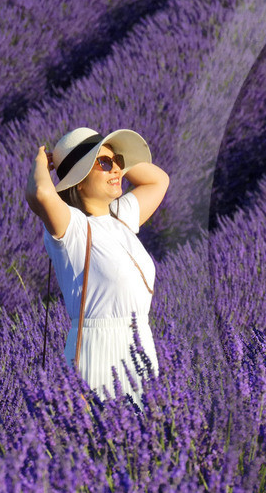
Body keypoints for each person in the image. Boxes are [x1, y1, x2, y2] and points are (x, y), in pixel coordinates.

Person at [24, 127, 170, 405]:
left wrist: (113, 168)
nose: (115, 168)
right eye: (103, 163)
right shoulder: (73, 228)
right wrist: (41, 163)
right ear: (79, 181)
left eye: (117, 161)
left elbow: (158, 180)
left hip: (140, 347)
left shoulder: (121, 218)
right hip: (98, 352)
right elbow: (42, 192)